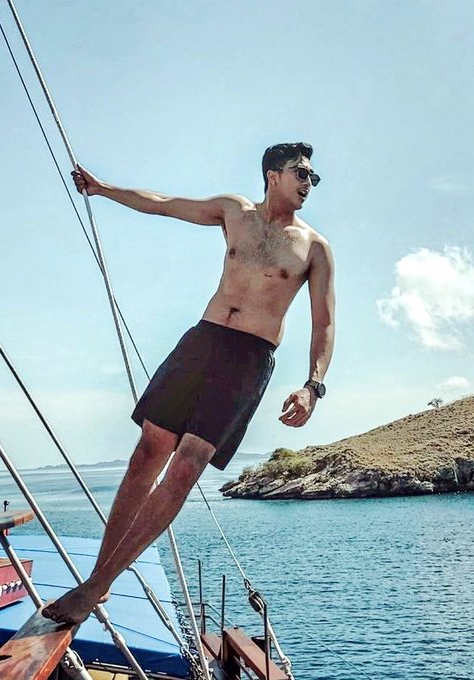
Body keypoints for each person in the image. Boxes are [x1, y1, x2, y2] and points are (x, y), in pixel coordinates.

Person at [42, 142, 335, 625]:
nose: (309, 183)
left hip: (248, 361)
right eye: (301, 173)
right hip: (202, 342)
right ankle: (99, 580)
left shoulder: (314, 247)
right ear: (273, 175)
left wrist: (312, 385)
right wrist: (102, 189)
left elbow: (324, 323)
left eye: (313, 177)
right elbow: (163, 204)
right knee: (147, 453)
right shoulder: (234, 212)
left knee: (186, 467)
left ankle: (94, 587)